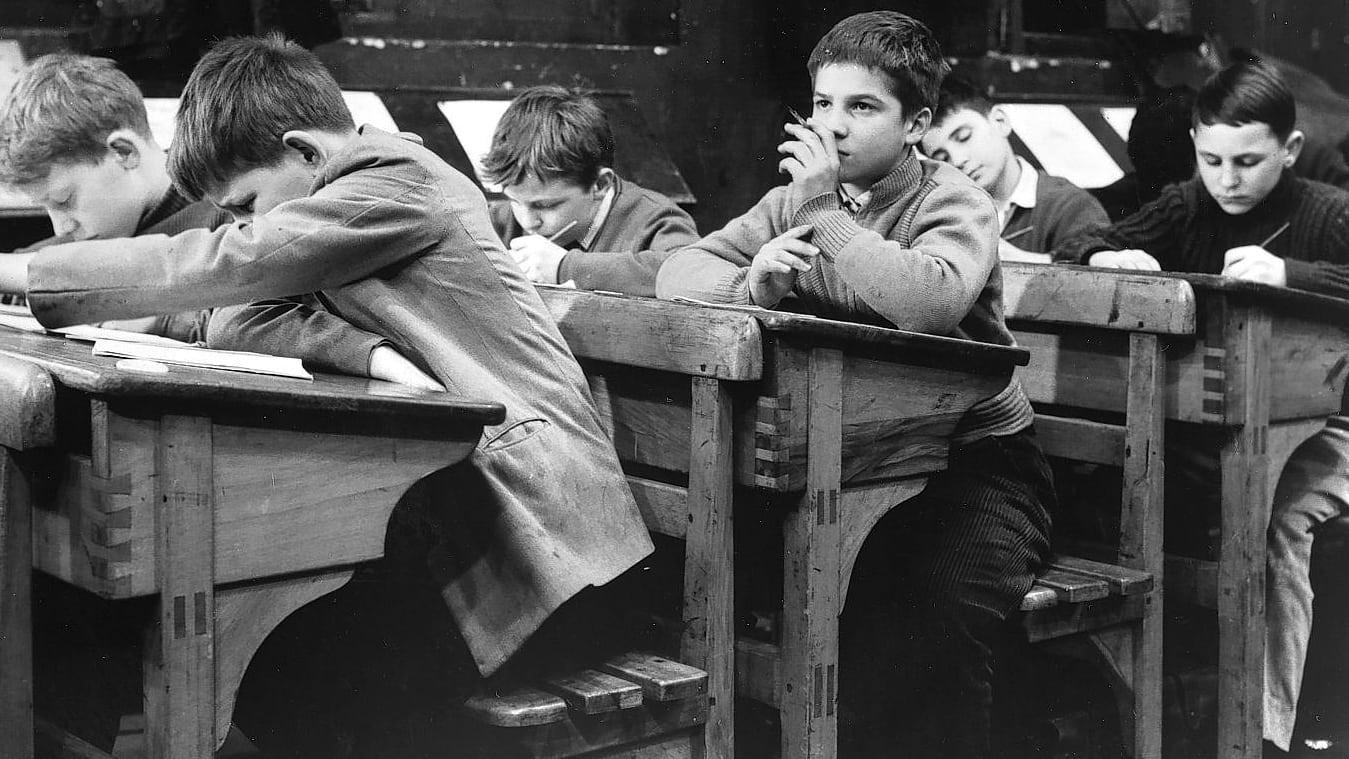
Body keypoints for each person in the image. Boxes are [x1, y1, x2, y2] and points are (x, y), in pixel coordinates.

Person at [0, 34, 654, 755]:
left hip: (559, 554)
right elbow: (232, 310)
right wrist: (368, 352)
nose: (249, 224)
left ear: (306, 151)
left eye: (248, 204)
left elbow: (234, 261)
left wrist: (24, 273)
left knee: (296, 680)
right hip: (482, 528)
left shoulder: (396, 180)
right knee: (270, 671)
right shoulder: (339, 194)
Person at [656, 12, 1054, 758]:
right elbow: (678, 270)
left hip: (974, 466)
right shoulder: (790, 201)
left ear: (916, 123)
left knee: (936, 615)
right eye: (821, 104)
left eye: (861, 107)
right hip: (850, 457)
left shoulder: (952, 200)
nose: (832, 127)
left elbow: (928, 301)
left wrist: (821, 215)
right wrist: (752, 284)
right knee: (769, 599)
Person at [1055, 60, 1349, 299]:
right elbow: (1074, 245)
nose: (1228, 180)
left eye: (1247, 162)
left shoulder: (1333, 214)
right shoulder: (1185, 206)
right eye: (1211, 160)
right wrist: (1101, 256)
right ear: (1194, 143)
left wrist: (1289, 274)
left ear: (1291, 149)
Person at [481, 85, 697, 296]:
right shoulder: (497, 221)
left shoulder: (655, 220)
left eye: (546, 205)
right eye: (515, 201)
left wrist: (566, 268)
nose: (528, 222)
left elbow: (693, 274)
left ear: (600, 185)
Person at [919, 76, 1108, 262]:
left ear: (1000, 121)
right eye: (942, 158)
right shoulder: (941, 215)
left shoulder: (1069, 206)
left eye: (964, 137)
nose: (958, 160)